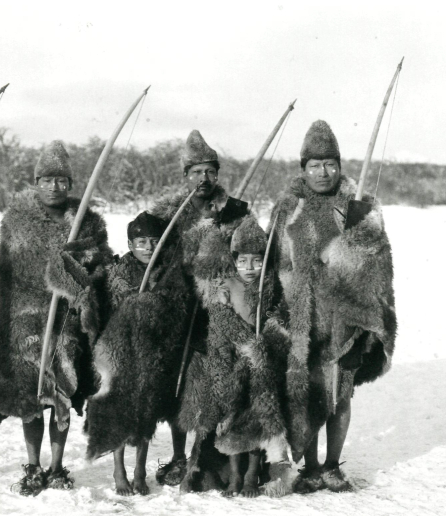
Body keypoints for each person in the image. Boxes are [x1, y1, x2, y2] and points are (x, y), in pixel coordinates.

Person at [268, 120, 397, 493]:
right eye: (315, 164)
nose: (323, 172)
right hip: (302, 319)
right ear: (303, 168)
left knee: (339, 396)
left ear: (339, 166)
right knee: (307, 395)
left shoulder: (359, 208)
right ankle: (309, 467)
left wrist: (354, 239)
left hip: (345, 320)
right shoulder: (288, 209)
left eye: (330, 164)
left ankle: (332, 465)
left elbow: (377, 264)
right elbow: (272, 264)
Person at [0, 140, 113, 496]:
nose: (54, 187)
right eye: (47, 180)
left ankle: (57, 466)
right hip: (25, 321)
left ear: (71, 185)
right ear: (36, 181)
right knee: (31, 395)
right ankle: (32, 465)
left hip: (68, 322)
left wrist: (75, 270)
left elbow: (101, 266)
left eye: (62, 181)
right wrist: (7, 322)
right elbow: (5, 275)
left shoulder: (87, 221)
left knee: (62, 391)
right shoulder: (17, 220)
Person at [147, 130, 250, 488]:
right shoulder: (166, 214)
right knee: (179, 385)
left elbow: (251, 252)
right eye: (196, 172)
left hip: (218, 308)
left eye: (210, 172)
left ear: (217, 175)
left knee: (212, 381)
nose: (203, 179)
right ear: (185, 175)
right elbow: (148, 253)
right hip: (179, 308)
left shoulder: (235, 211)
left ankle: (203, 454)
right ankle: (178, 455)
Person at [175, 216, 289, 497]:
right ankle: (232, 475)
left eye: (257, 261)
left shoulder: (271, 283)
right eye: (243, 261)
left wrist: (267, 338)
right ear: (233, 259)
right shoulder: (222, 284)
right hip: (228, 357)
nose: (250, 268)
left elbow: (278, 317)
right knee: (227, 412)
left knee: (256, 413)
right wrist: (247, 343)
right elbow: (220, 317)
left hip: (260, 361)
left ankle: (252, 474)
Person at [83, 211, 188, 496]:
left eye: (154, 241)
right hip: (119, 354)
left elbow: (177, 311)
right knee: (119, 411)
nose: (148, 247)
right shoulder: (116, 274)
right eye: (141, 241)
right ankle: (119, 471)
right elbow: (101, 310)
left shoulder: (169, 275)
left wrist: (151, 306)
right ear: (130, 244)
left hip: (153, 355)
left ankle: (140, 470)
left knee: (147, 411)